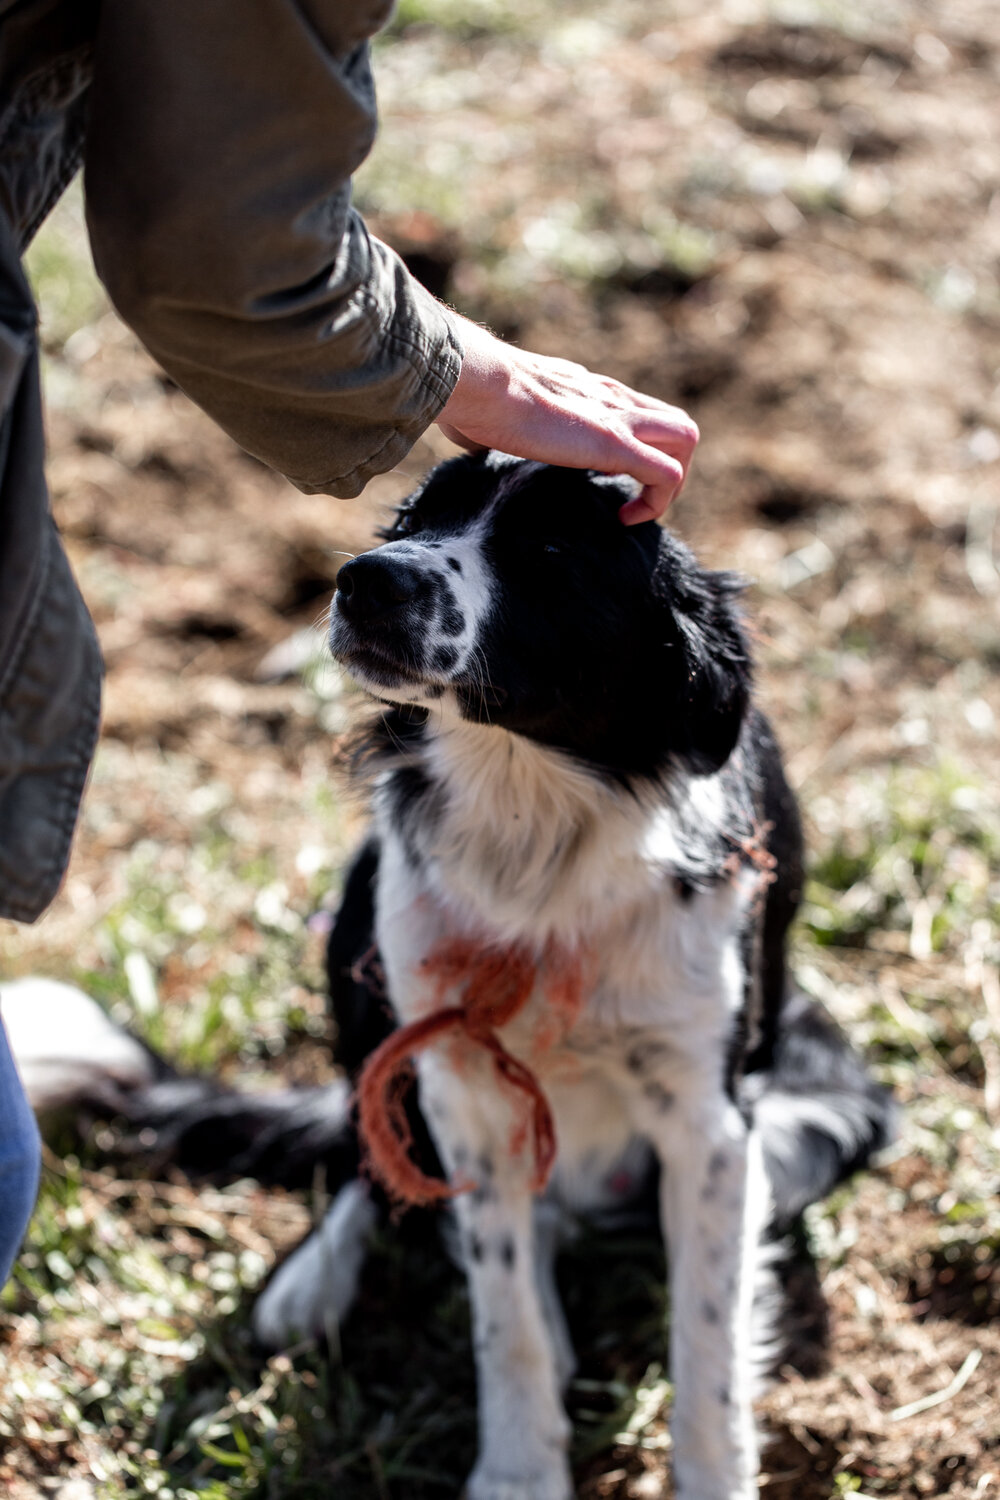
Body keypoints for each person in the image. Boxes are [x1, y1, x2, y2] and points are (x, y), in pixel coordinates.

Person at [0, 1, 699, 1285]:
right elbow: (216, 230)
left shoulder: (704, 792)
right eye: (428, 518)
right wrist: (451, 372)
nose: (403, 566)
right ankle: (375, 1192)